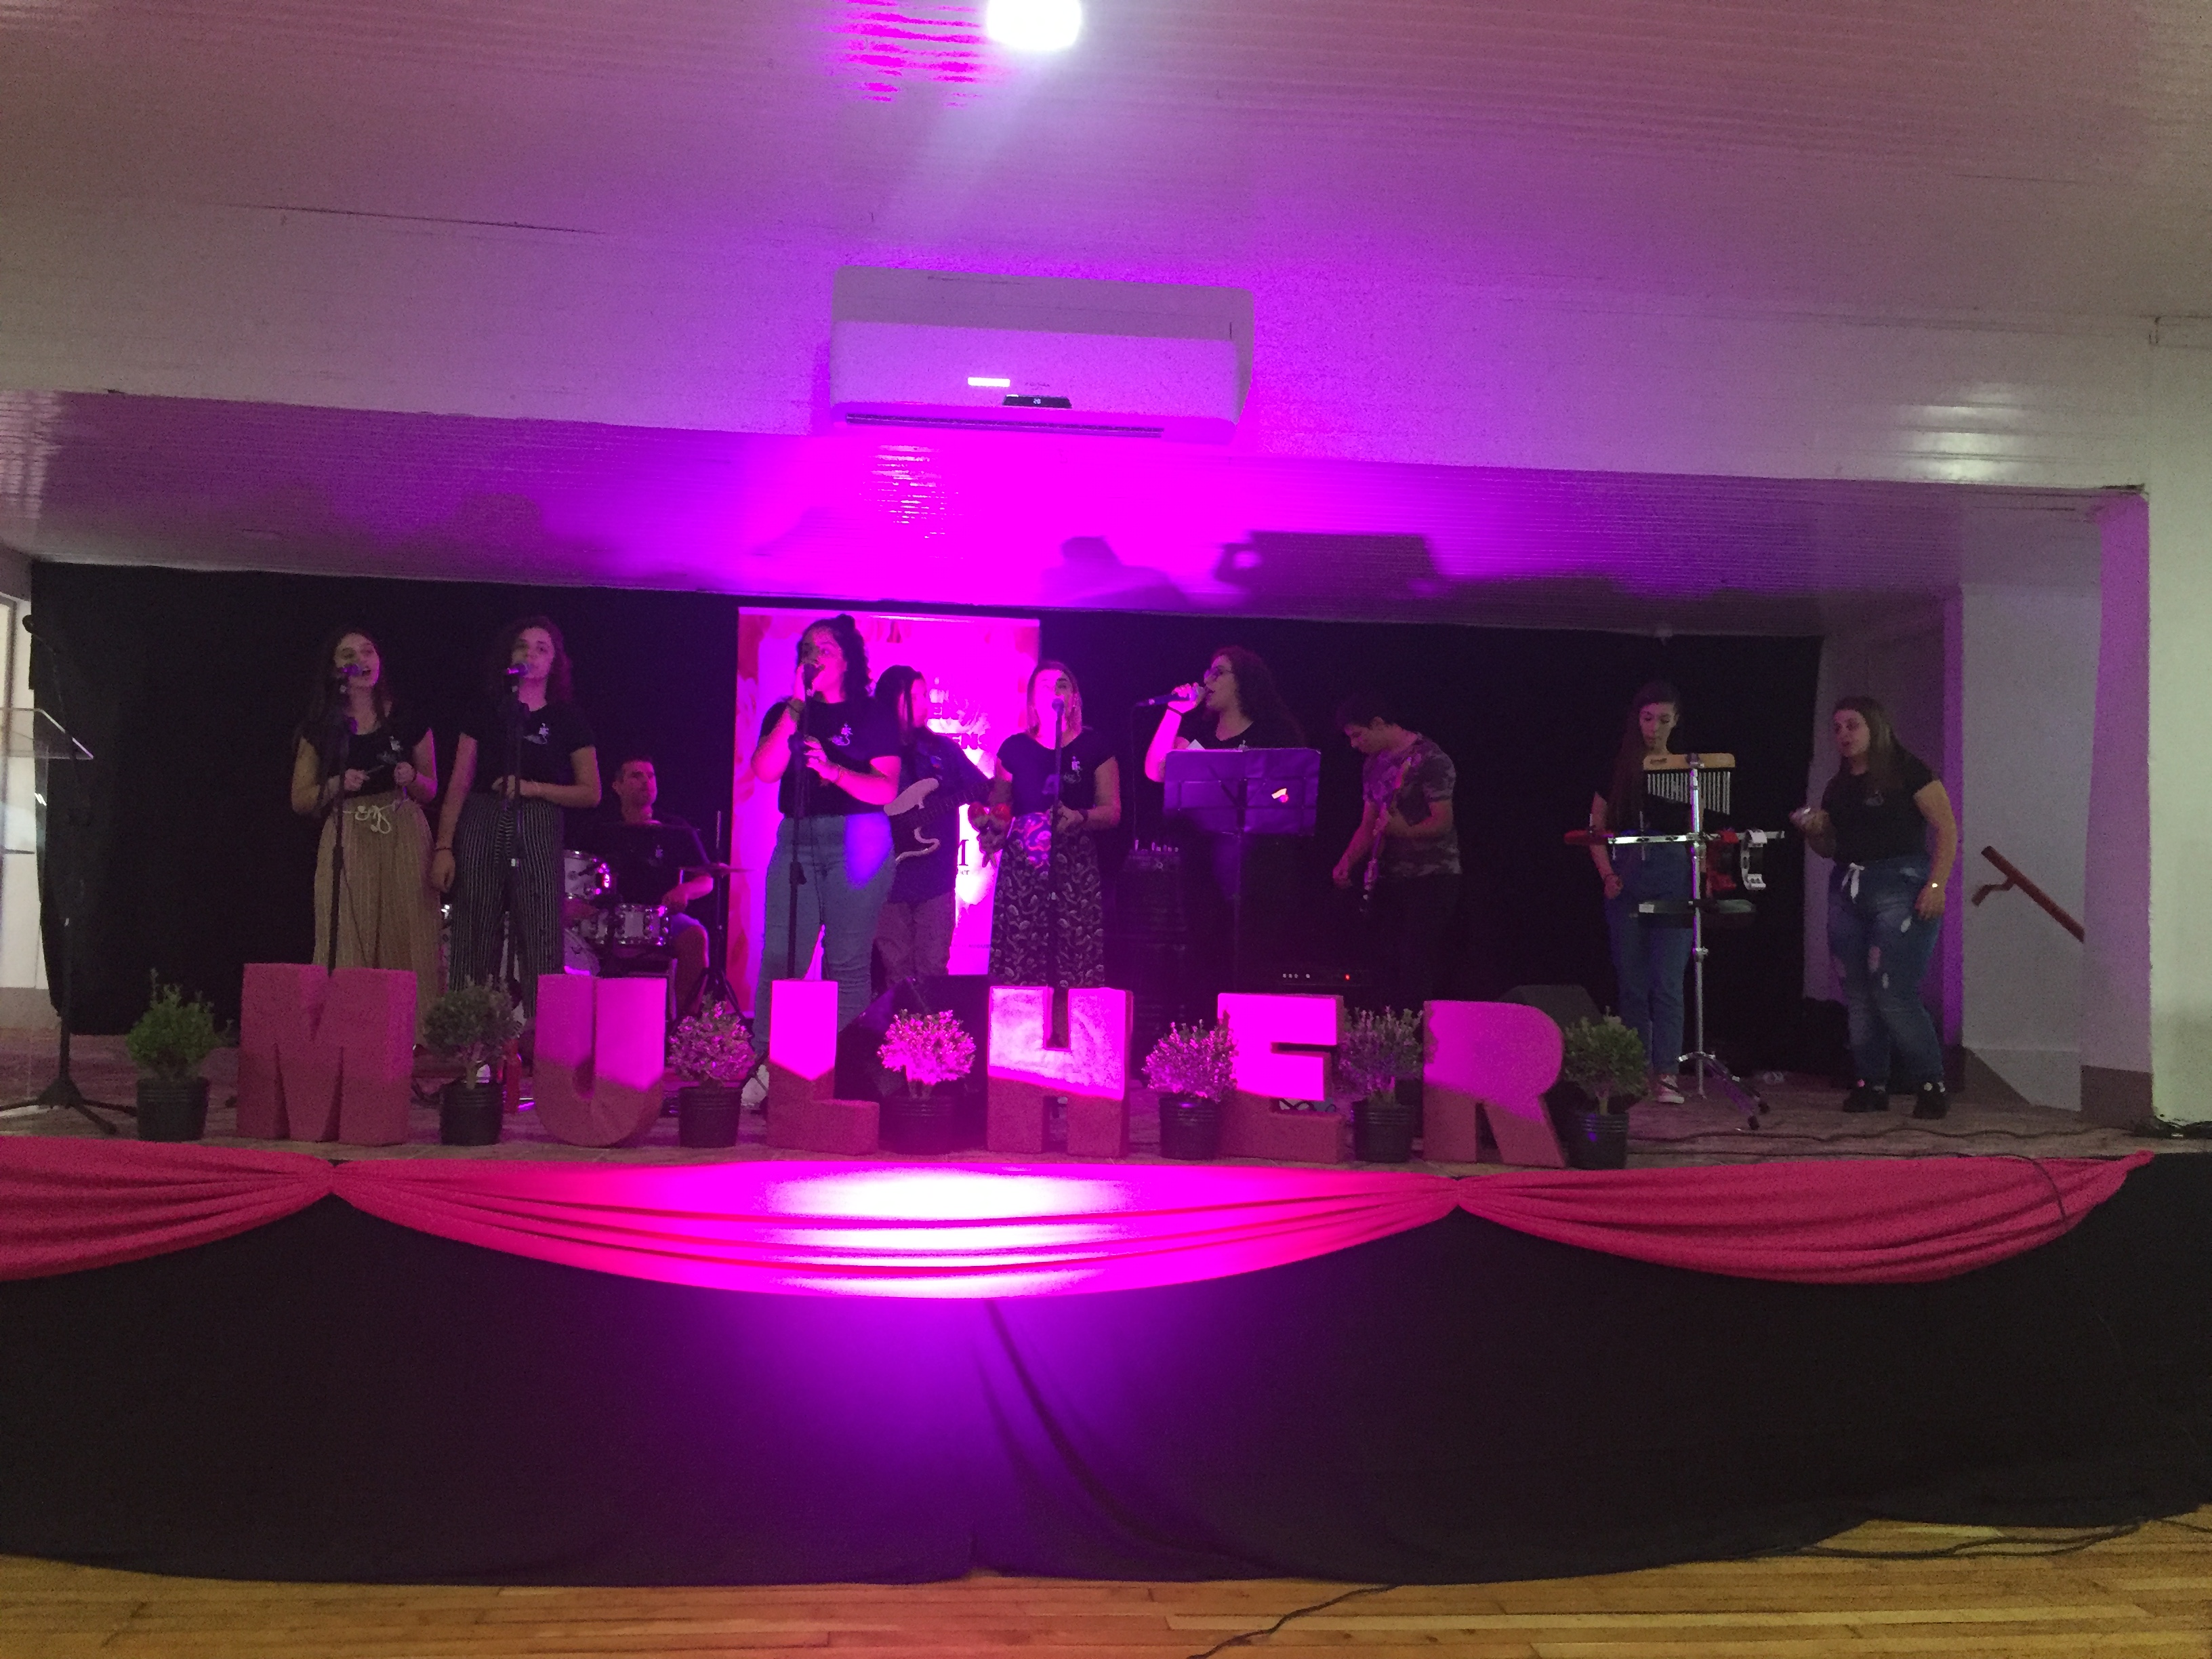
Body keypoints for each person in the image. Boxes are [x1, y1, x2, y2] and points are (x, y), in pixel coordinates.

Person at [1792, 696, 1959, 1119]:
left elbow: (1946, 827)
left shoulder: (1908, 771)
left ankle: (1930, 1083)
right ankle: (1871, 1083)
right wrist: (1814, 830)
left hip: (1900, 883)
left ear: (1875, 727)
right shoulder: (1839, 785)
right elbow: (1830, 848)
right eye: (1837, 728)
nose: (1844, 735)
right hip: (1849, 887)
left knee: (1892, 989)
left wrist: (1937, 885)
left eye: (1853, 726)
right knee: (1857, 991)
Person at [431, 616, 602, 1019]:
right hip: (483, 816)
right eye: (523, 646)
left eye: (543, 648)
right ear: (509, 655)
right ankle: (470, 1029)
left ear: (555, 661)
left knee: (541, 929)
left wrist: (534, 788)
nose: (532, 654)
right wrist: (444, 847)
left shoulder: (567, 718)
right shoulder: (485, 710)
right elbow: (459, 783)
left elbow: (590, 791)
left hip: (539, 820)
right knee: (474, 925)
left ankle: (544, 1033)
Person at [748, 615, 901, 1045]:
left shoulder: (872, 714)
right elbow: (765, 770)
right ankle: (764, 1060)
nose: (814, 658)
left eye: (826, 650)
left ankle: (844, 1062)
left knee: (846, 961)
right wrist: (797, 707)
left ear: (848, 661)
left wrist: (834, 772)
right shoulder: (787, 712)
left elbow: (886, 788)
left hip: (859, 842)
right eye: (807, 651)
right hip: (797, 841)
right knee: (782, 957)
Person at [288, 626, 442, 1014]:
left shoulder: (406, 716)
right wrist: (335, 784)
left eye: (368, 651)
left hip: (401, 826)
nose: (361, 660)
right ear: (335, 670)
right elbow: (301, 799)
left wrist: (413, 778)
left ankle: (414, 1029)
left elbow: (430, 789)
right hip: (349, 829)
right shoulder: (322, 727)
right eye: (349, 655)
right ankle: (349, 1022)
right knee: (346, 929)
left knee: (411, 929)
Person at [1585, 681, 1695, 1105]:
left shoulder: (1687, 770)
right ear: (1637, 720)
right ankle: (1635, 1070)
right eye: (1648, 719)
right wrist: (1607, 874)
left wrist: (1700, 875)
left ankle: (1666, 1072)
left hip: (1672, 880)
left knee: (1667, 982)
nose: (1655, 728)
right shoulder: (1617, 769)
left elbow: (1700, 835)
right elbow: (1596, 830)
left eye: (1664, 720)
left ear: (1676, 722)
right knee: (1631, 983)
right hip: (1629, 879)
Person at [988, 661, 1120, 988]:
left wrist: (1080, 817)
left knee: (1075, 957)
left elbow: (1112, 811)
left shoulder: (1095, 747)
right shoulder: (1014, 749)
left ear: (1073, 699)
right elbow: (1000, 809)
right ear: (1033, 701)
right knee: (1020, 957)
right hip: (1023, 869)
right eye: (1045, 685)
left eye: (1062, 684)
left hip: (1074, 866)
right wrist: (992, 832)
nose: (1054, 691)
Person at [1330, 691, 1460, 1011]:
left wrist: (1404, 831)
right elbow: (1369, 823)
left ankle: (1416, 1034)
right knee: (1384, 964)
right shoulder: (1373, 764)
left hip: (1432, 876)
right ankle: (1384, 1031)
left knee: (1415, 963)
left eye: (1358, 735)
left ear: (1378, 723)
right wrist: (1348, 860)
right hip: (1389, 877)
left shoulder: (1431, 759)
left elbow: (1442, 822)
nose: (1354, 744)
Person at [872, 665, 993, 985]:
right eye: (913, 697)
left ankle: (932, 1021)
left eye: (924, 695)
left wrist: (1000, 794)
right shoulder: (874, 750)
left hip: (936, 879)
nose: (924, 704)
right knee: (895, 970)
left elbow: (982, 790)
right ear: (890, 700)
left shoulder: (944, 751)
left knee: (933, 969)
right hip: (886, 878)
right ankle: (898, 1020)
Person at [580, 754, 716, 1019]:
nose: (646, 782)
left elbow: (707, 879)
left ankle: (683, 1027)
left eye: (651, 776)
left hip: (662, 917)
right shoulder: (600, 828)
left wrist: (684, 891)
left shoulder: (674, 828)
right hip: (608, 916)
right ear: (617, 786)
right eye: (636, 776)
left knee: (696, 936)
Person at [1140, 644, 1303, 783]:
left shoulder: (1272, 734)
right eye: (1208, 674)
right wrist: (1174, 710)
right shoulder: (1200, 730)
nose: (1207, 681)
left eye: (1218, 673)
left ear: (1243, 680)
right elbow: (1156, 771)